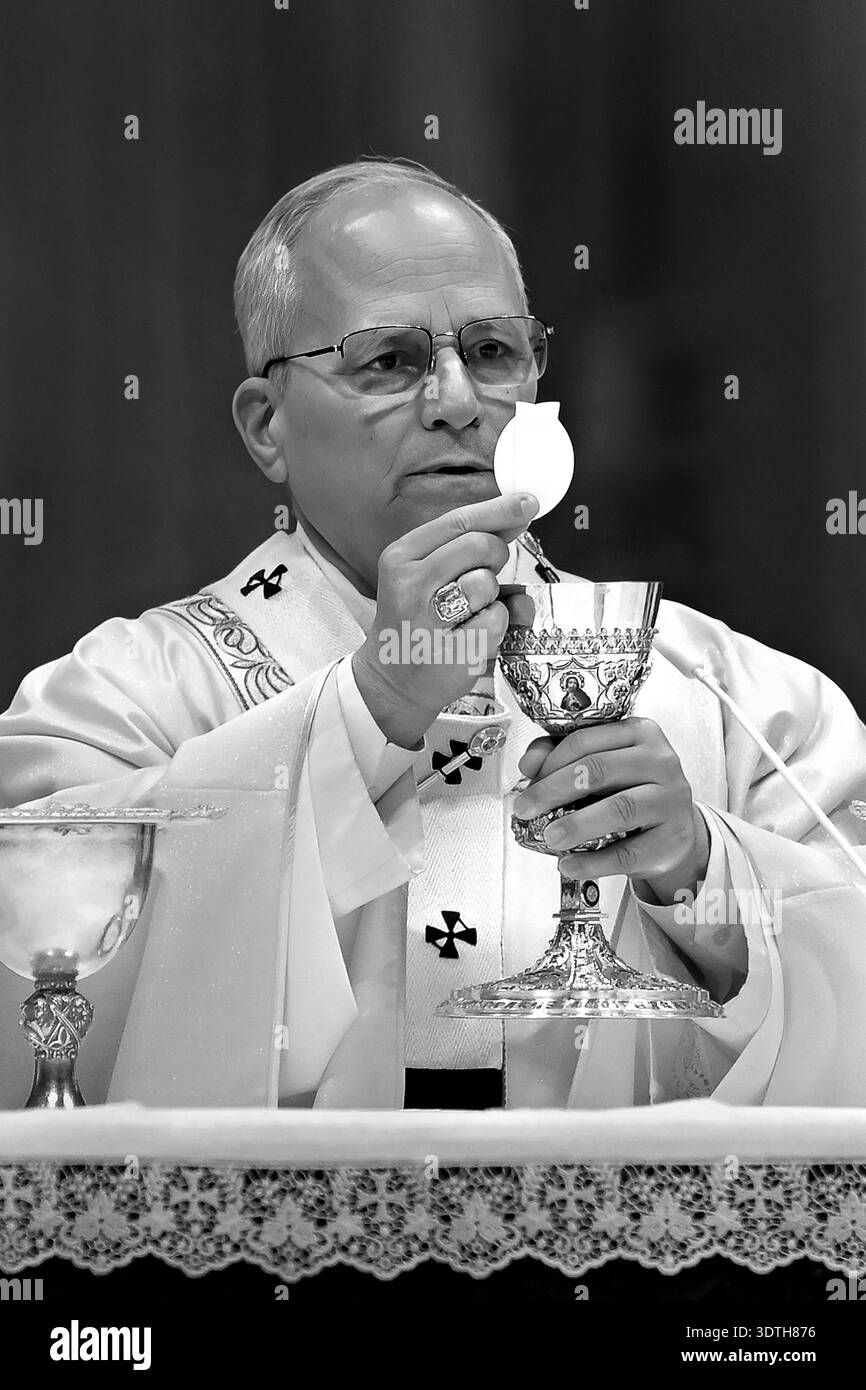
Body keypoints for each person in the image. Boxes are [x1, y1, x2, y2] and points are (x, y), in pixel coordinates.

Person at [1, 156, 866, 1111]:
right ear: (265, 427)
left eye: (493, 351)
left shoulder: (739, 704)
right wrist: (367, 714)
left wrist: (696, 877)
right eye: (390, 360)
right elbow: (40, 952)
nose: (457, 399)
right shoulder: (127, 699)